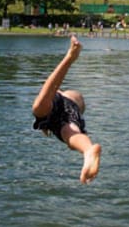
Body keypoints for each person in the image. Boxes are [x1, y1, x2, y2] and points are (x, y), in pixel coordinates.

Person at [33, 36, 101, 183]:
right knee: (70, 134)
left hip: (63, 103)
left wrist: (70, 58)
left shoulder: (58, 100)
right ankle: (88, 151)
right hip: (71, 105)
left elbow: (52, 88)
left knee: (41, 108)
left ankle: (69, 58)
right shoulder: (67, 112)